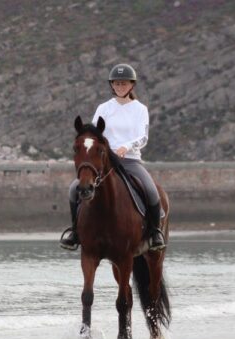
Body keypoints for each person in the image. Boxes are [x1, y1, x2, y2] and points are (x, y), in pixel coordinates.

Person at [60, 63, 166, 251]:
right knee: (73, 189)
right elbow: (93, 134)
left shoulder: (140, 109)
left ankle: (155, 232)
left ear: (132, 85)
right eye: (116, 84)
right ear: (112, 85)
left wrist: (127, 146)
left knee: (151, 190)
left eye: (123, 84)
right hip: (106, 161)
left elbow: (144, 137)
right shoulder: (104, 108)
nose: (120, 87)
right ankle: (75, 232)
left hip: (130, 160)